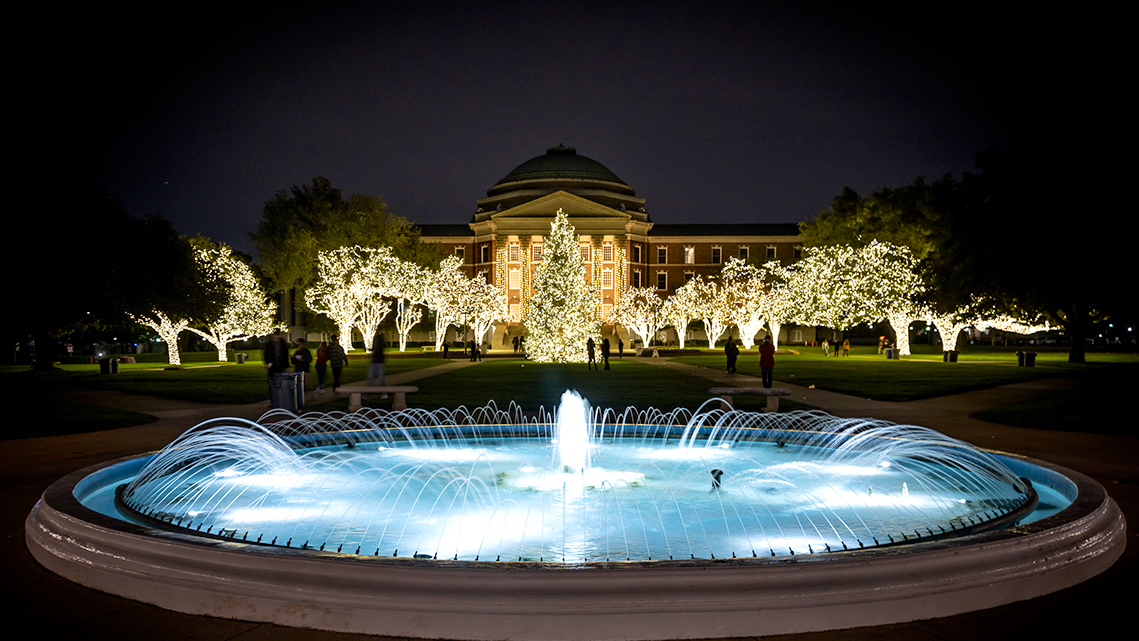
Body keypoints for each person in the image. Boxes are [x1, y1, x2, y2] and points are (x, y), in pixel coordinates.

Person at [264, 331, 289, 404]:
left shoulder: (282, 343)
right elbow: (266, 353)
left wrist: (286, 365)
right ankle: (273, 399)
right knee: (272, 382)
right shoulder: (269, 344)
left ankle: (280, 398)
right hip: (272, 366)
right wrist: (267, 362)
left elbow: (285, 354)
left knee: (280, 382)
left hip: (280, 365)